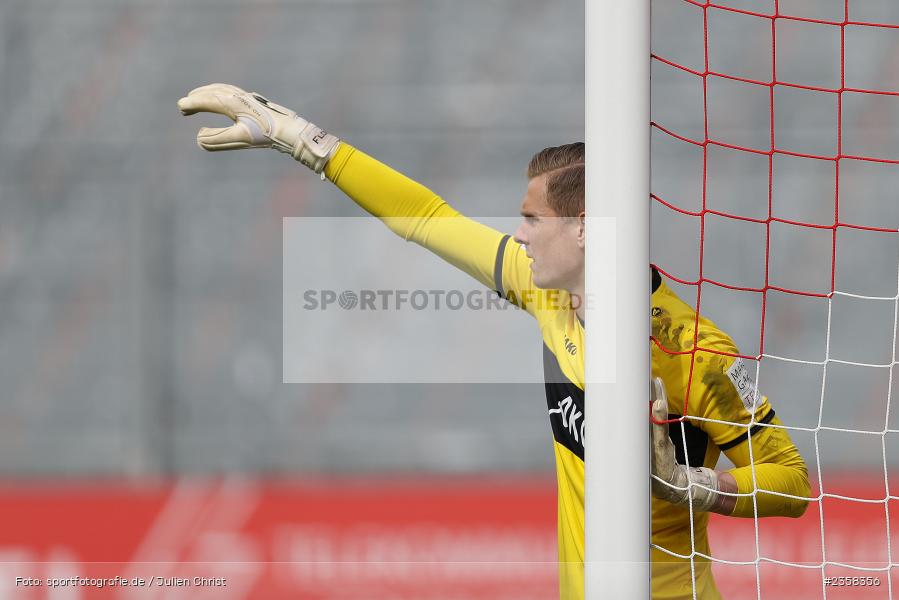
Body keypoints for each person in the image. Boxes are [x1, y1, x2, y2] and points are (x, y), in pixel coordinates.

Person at [178, 83, 811, 599]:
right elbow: (427, 218)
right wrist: (304, 141)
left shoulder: (691, 350)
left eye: (533, 219)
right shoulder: (546, 292)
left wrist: (692, 484)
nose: (521, 235)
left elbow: (793, 481)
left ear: (585, 228)